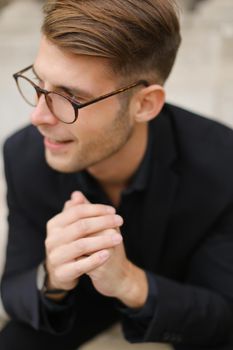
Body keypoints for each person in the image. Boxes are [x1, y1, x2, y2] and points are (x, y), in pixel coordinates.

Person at [0, 0, 233, 349]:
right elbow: (15, 289)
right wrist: (52, 277)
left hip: (173, 297)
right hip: (78, 305)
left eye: (70, 97)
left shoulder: (221, 159)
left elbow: (221, 313)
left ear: (144, 104)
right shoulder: (23, 154)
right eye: (39, 82)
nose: (38, 117)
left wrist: (128, 283)